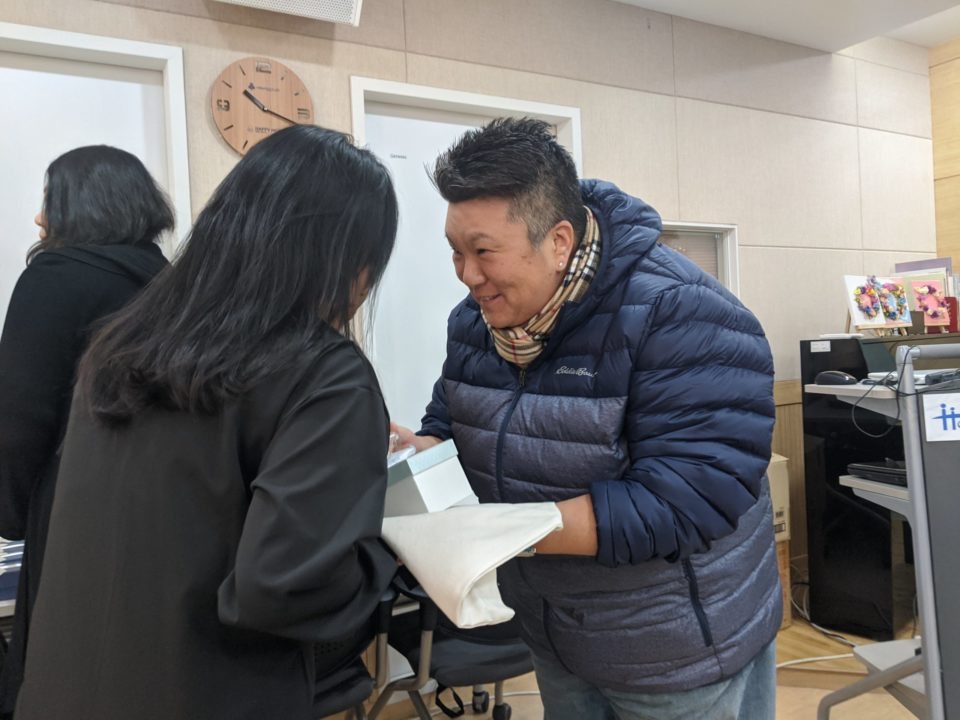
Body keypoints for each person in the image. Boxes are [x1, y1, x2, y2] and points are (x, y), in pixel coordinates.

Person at [393, 117, 780, 720]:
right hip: (556, 633)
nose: (467, 276)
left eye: (484, 252)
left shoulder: (682, 313)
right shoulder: (474, 322)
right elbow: (455, 423)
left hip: (674, 649)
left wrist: (503, 530)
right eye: (456, 252)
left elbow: (689, 500)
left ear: (559, 241)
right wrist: (420, 454)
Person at [14, 125, 399, 720]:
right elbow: (284, 589)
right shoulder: (325, 374)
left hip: (64, 682)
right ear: (351, 261)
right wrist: (387, 552)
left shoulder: (120, 345)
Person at [0, 145, 173, 716]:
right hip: (168, 511)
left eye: (49, 199)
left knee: (64, 672)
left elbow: (20, 412)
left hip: (78, 506)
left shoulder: (54, 280)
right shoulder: (172, 283)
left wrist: (10, 511)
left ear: (81, 206)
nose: (39, 218)